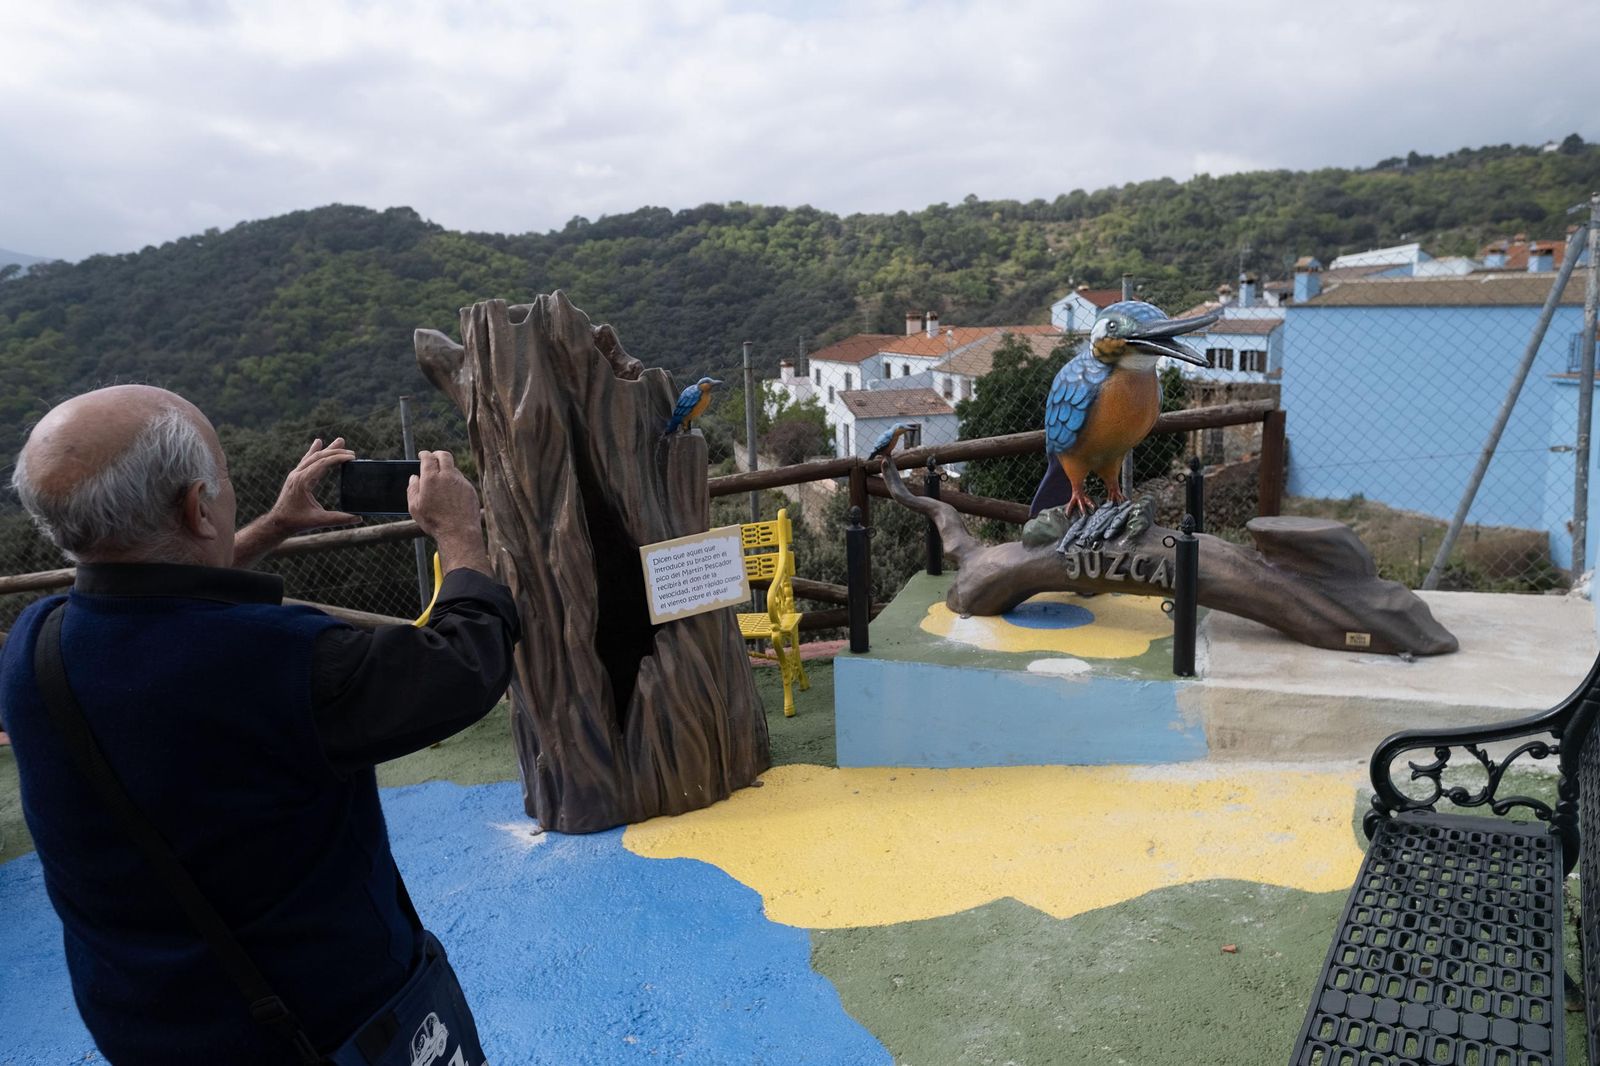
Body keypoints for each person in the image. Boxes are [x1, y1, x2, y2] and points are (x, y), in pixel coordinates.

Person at [0, 385, 520, 1064]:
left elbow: (153, 601)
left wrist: (272, 526)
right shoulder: (280, 661)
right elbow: (463, 665)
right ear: (197, 507)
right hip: (329, 1023)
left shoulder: (35, 648)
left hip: (147, 1028)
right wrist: (461, 535)